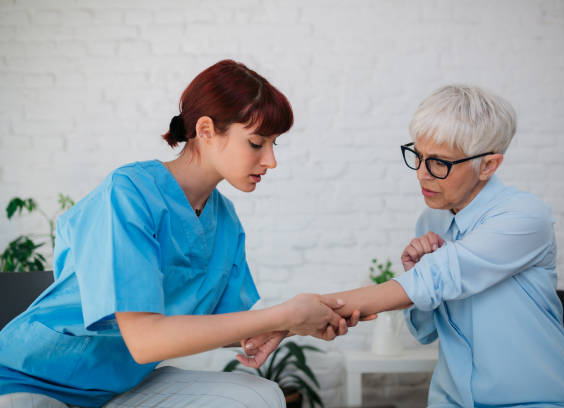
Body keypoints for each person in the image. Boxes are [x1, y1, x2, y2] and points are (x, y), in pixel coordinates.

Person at [0, 60, 364, 408]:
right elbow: (144, 342)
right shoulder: (128, 192)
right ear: (205, 131)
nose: (271, 161)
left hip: (117, 386)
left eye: (274, 144)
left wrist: (297, 323)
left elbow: (221, 328)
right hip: (31, 377)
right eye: (257, 143)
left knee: (258, 395)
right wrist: (283, 315)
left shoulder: (226, 222)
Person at [245, 85, 564, 407]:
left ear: (488, 165)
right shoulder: (432, 222)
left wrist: (290, 321)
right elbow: (425, 330)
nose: (422, 173)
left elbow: (437, 279)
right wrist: (416, 274)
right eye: (418, 155)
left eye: (439, 162)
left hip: (539, 400)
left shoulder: (524, 217)